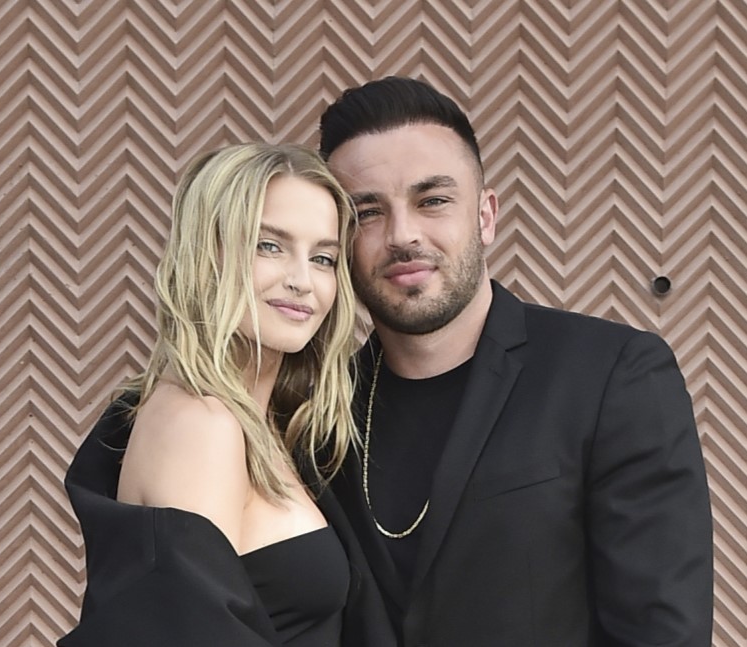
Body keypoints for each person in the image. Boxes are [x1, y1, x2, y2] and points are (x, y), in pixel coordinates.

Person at [317, 76, 714, 646]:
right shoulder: (320, 410)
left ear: (485, 216)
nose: (402, 235)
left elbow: (662, 632)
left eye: (432, 201)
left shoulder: (611, 376)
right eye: (367, 212)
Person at [59, 143, 395, 646]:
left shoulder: (270, 425)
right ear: (207, 254)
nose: (302, 281)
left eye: (323, 258)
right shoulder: (200, 424)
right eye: (269, 246)